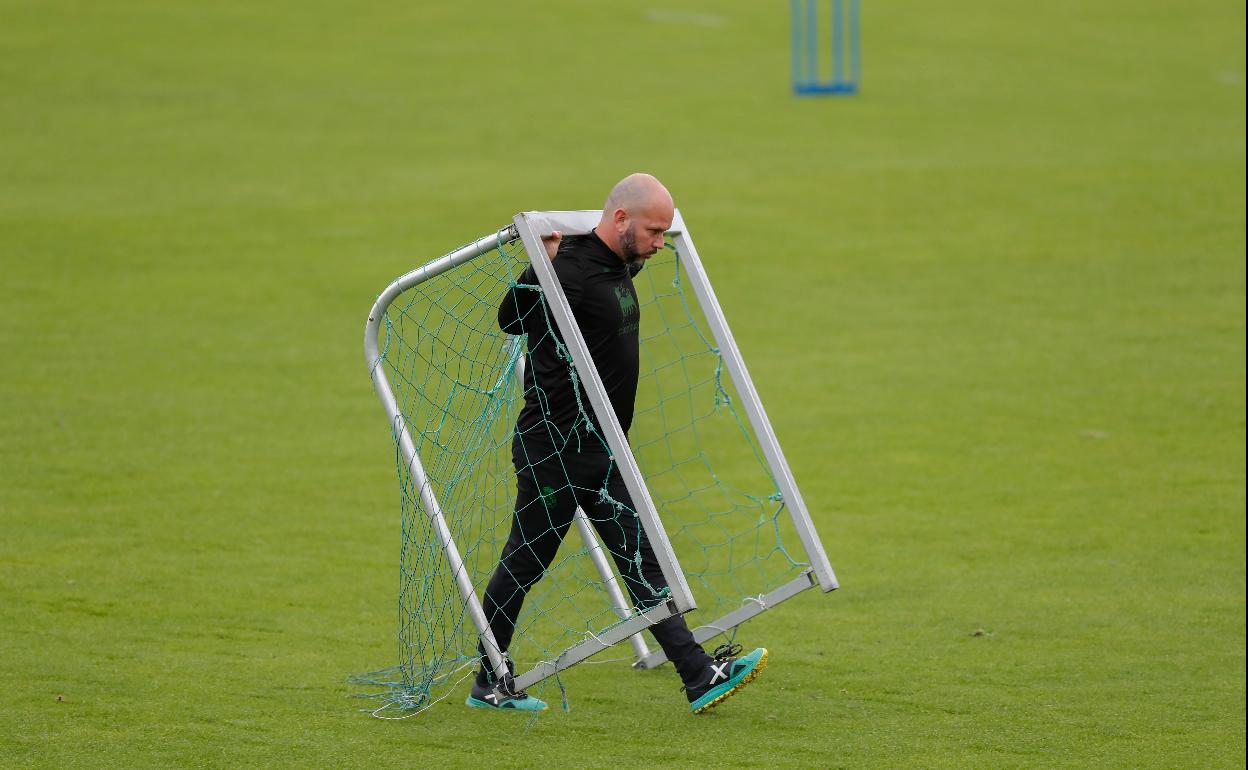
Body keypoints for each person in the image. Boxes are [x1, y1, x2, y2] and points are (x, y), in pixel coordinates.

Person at [467, 173, 768, 715]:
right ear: (621, 219)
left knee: (627, 559)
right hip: (558, 446)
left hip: (599, 445)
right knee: (535, 561)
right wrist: (545, 264)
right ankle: (491, 678)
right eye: (654, 231)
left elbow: (616, 263)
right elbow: (510, 318)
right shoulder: (573, 272)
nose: (660, 242)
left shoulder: (620, 262)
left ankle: (698, 676)